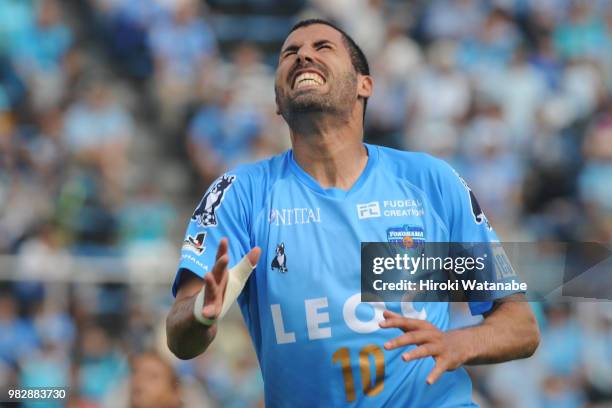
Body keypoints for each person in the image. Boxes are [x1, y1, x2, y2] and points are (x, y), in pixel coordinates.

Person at [166, 19, 540, 406]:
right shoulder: (241, 196)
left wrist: (457, 343)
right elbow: (179, 335)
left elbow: (519, 323)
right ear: (278, 102)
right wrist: (202, 315)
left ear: (365, 84)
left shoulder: (430, 182)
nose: (304, 55)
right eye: (289, 54)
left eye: (323, 47)